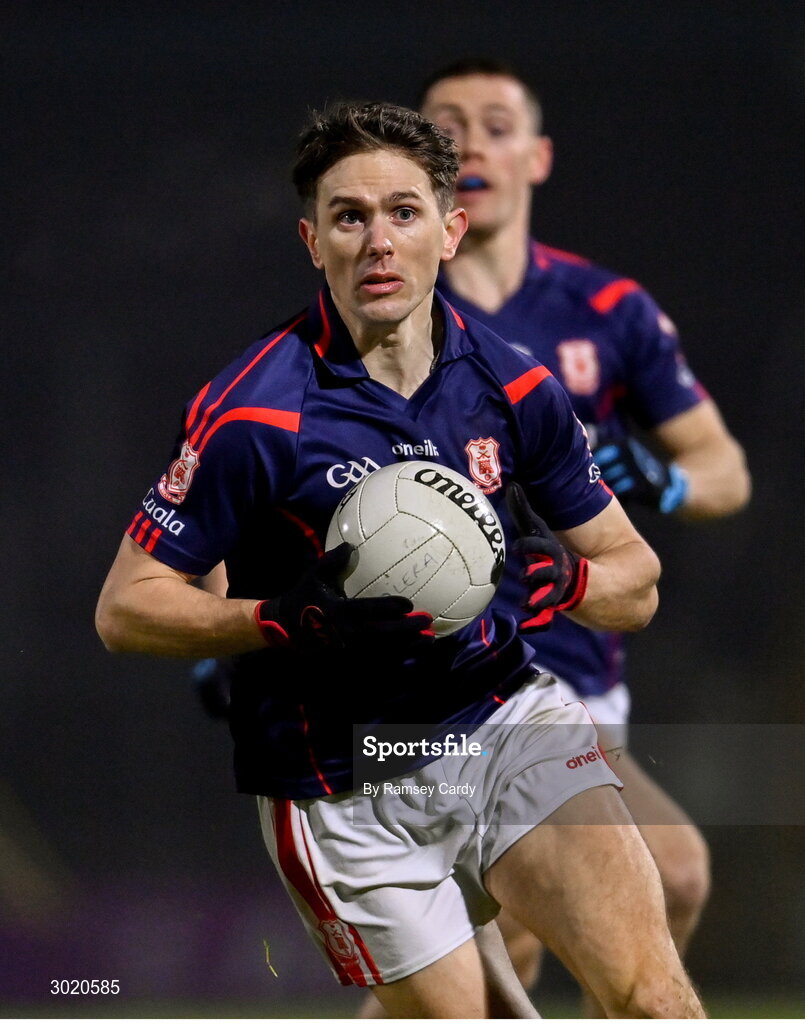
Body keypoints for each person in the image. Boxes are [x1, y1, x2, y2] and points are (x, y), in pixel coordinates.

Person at [95, 100, 705, 1018]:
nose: (377, 241)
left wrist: (571, 581)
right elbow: (127, 608)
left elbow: (637, 583)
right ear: (313, 241)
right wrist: (269, 621)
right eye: (349, 216)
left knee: (654, 1000)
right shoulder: (253, 414)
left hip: (502, 720)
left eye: (403, 212)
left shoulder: (516, 387)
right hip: (339, 780)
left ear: (450, 229)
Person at [411, 58, 750, 1012]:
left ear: (538, 155)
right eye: (446, 124)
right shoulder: (392, 317)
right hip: (456, 684)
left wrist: (669, 482)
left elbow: (724, 469)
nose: (472, 140)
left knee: (491, 965)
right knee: (642, 884)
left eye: (495, 122)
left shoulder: (606, 310)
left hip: (584, 678)